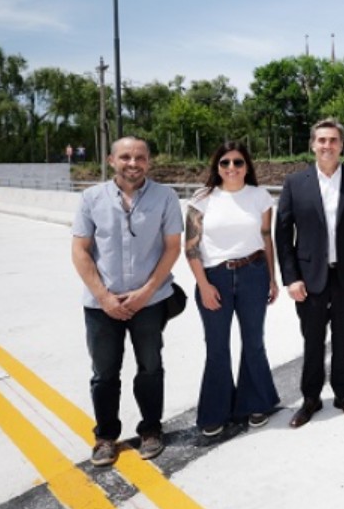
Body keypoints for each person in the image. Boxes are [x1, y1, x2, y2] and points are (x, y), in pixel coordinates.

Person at [71, 136, 183, 467]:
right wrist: (104, 297)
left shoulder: (165, 197)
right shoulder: (91, 198)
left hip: (149, 301)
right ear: (111, 160)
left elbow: (172, 247)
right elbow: (80, 250)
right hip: (101, 305)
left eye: (139, 157)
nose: (132, 163)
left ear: (149, 161)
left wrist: (147, 291)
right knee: (104, 373)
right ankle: (106, 436)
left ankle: (151, 430)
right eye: (125, 157)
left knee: (150, 367)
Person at [275, 119, 344, 428]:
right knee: (313, 341)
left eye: (333, 140)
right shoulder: (295, 183)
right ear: (312, 144)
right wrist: (291, 277)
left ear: (341, 145)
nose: (327, 146)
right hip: (309, 278)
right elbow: (282, 234)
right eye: (322, 140)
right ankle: (310, 399)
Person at [185, 142, 280, 437]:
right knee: (217, 347)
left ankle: (255, 403)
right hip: (216, 278)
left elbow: (266, 238)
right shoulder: (202, 199)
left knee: (254, 342)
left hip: (254, 273)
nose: (231, 168)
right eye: (225, 162)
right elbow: (190, 247)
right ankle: (216, 410)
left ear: (247, 166)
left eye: (238, 162)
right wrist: (203, 285)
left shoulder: (260, 197)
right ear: (217, 166)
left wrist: (272, 278)